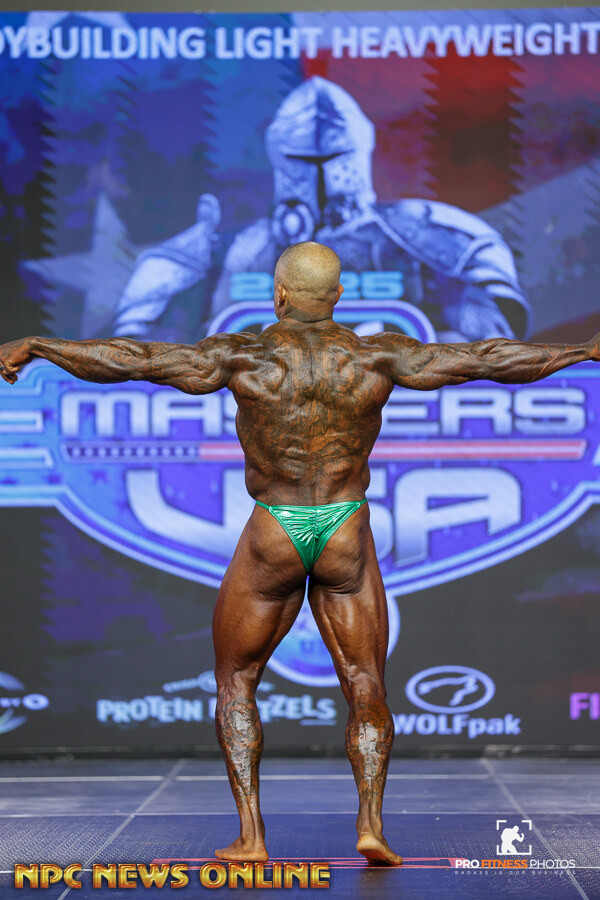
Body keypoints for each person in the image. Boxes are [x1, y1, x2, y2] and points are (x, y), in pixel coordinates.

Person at [0, 241, 595, 866]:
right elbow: (486, 359)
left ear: (278, 294)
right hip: (344, 527)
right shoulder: (376, 354)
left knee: (237, 680)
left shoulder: (243, 355)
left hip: (276, 530)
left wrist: (40, 347)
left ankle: (251, 836)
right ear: (337, 295)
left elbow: (137, 360)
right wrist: (583, 351)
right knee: (365, 681)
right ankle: (372, 826)